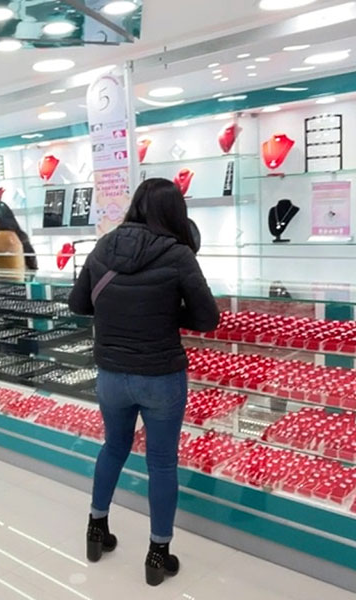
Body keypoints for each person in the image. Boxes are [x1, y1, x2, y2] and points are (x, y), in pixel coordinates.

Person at [68, 178, 219, 586]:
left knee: (113, 447)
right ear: (175, 213)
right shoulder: (178, 253)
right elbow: (208, 318)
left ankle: (96, 530)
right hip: (161, 376)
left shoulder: (103, 246)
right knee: (162, 463)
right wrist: (168, 313)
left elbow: (78, 303)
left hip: (111, 375)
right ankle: (158, 554)